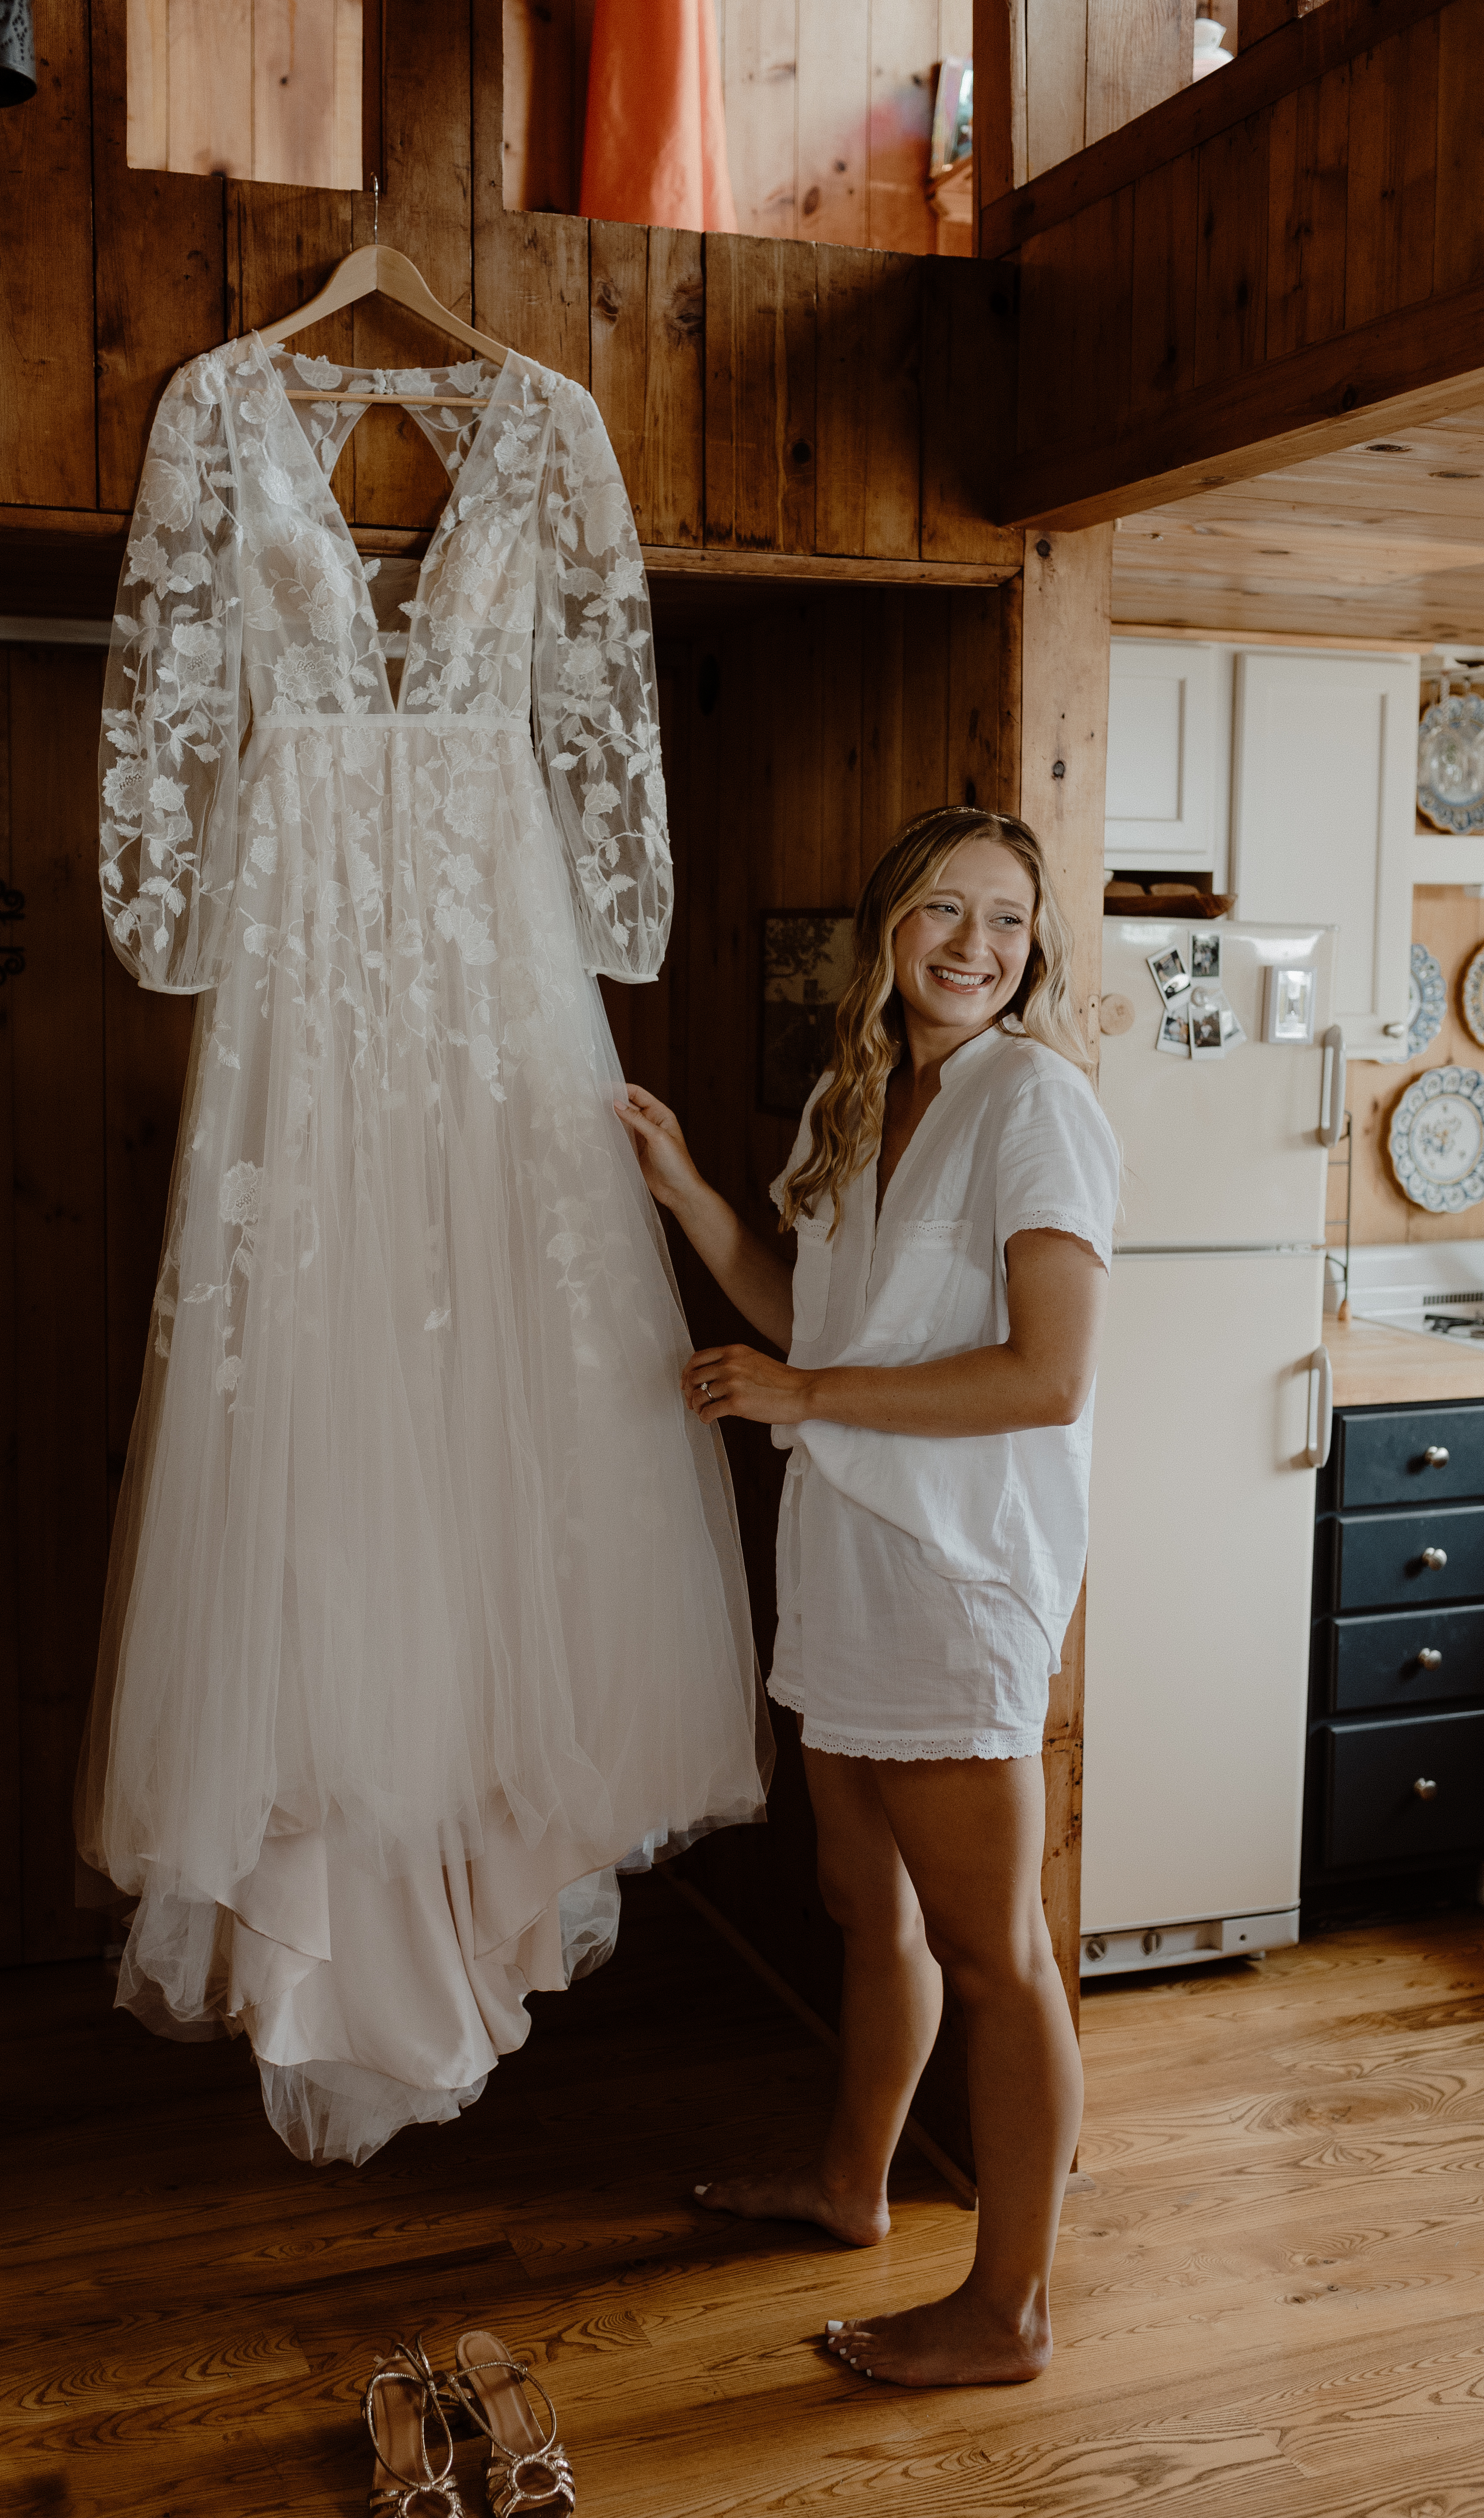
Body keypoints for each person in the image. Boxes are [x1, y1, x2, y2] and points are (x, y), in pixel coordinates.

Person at [615, 806, 1119, 2391]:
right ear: (888, 926)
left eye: (1007, 920)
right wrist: (688, 1193)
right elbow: (808, 1314)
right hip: (841, 1553)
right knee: (862, 1905)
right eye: (944, 910)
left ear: (1035, 950)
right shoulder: (858, 1092)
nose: (976, 946)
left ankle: (1009, 2310)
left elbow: (1046, 1378)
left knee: (994, 1952)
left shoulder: (1035, 1103)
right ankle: (851, 2184)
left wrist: (805, 1393)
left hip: (959, 1570)